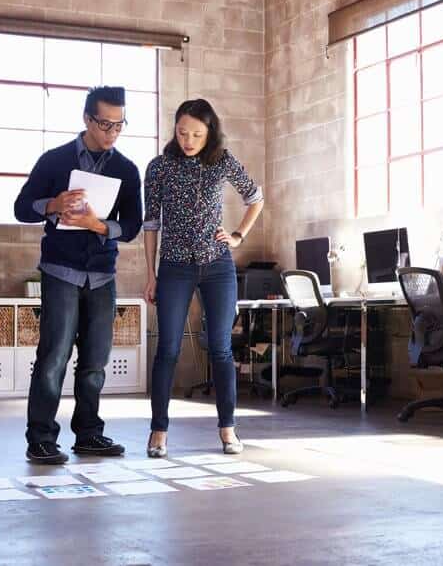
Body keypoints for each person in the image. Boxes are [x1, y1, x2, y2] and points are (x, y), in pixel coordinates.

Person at [14, 86, 142, 465]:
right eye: (105, 124)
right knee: (53, 356)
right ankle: (40, 438)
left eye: (119, 126)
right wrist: (53, 205)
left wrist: (97, 225)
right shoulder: (54, 161)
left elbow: (132, 225)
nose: (111, 133)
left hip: (102, 275)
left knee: (95, 361)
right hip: (61, 272)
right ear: (87, 119)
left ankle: (88, 434)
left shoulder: (126, 170)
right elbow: (22, 208)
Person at [143, 98, 264, 457]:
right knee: (168, 348)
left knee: (222, 348)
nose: (189, 140)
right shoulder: (159, 167)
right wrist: (150, 274)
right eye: (182, 132)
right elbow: (151, 224)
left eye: (197, 133)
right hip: (175, 267)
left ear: (209, 132)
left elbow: (255, 198)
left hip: (217, 266)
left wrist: (239, 235)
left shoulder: (222, 161)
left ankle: (228, 430)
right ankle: (158, 433)